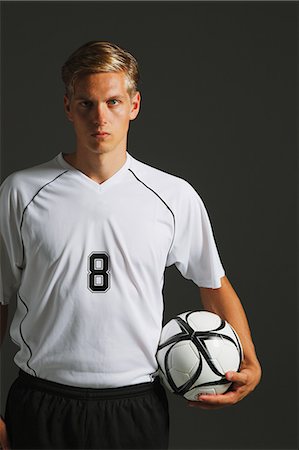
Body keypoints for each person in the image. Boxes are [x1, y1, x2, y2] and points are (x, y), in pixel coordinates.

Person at [0, 41, 261, 450]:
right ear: (68, 107)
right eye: (86, 104)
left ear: (134, 105)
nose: (99, 117)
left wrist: (249, 360)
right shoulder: (21, 192)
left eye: (113, 101)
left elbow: (213, 284)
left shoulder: (173, 196)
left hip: (134, 404)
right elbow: (0, 298)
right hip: (42, 401)